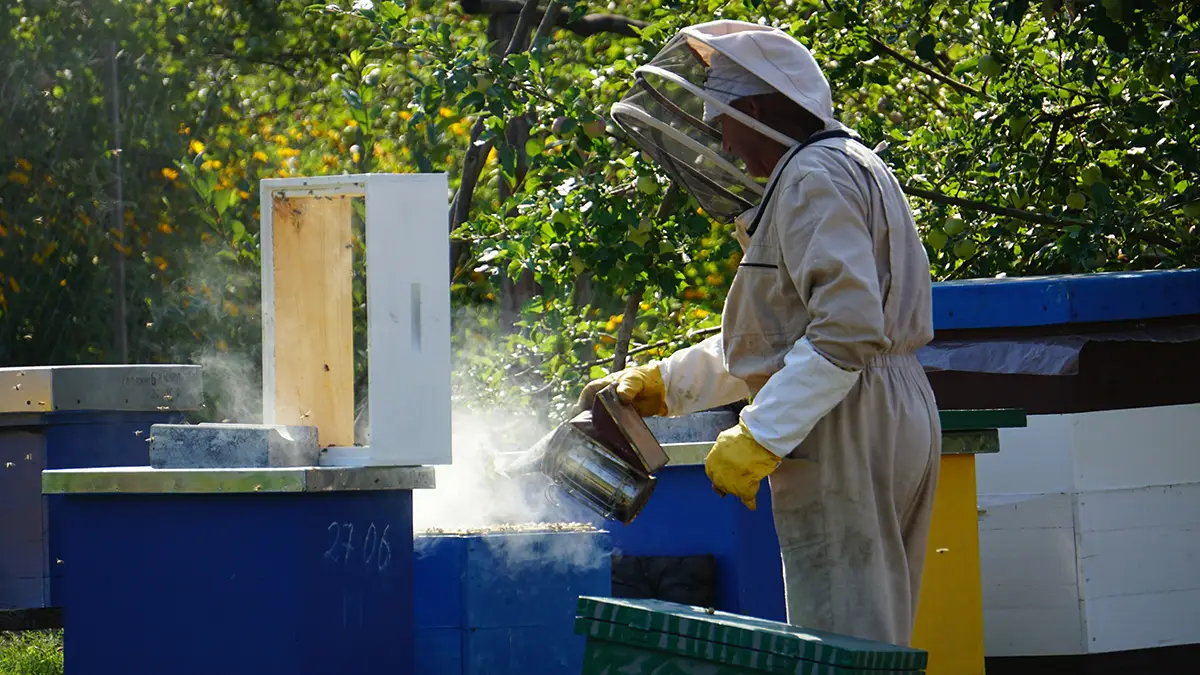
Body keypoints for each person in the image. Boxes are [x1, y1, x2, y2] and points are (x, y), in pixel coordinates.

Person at [577, 20, 941, 647]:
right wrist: (666, 384)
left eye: (725, 114)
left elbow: (845, 334)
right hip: (886, 403)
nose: (719, 133)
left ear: (755, 110)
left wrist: (762, 433)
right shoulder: (852, 164)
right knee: (875, 628)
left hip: (847, 416)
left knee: (844, 636)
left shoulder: (810, 178)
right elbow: (783, 332)